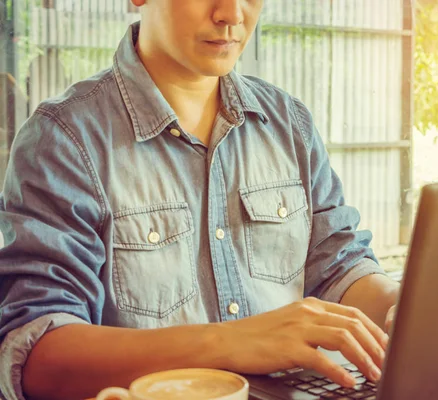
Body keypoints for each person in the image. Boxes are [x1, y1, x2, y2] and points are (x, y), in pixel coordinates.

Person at [0, 1, 401, 399]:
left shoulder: (289, 122)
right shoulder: (65, 140)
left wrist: (408, 310)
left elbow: (339, 267)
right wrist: (229, 343)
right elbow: (38, 357)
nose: (231, 14)